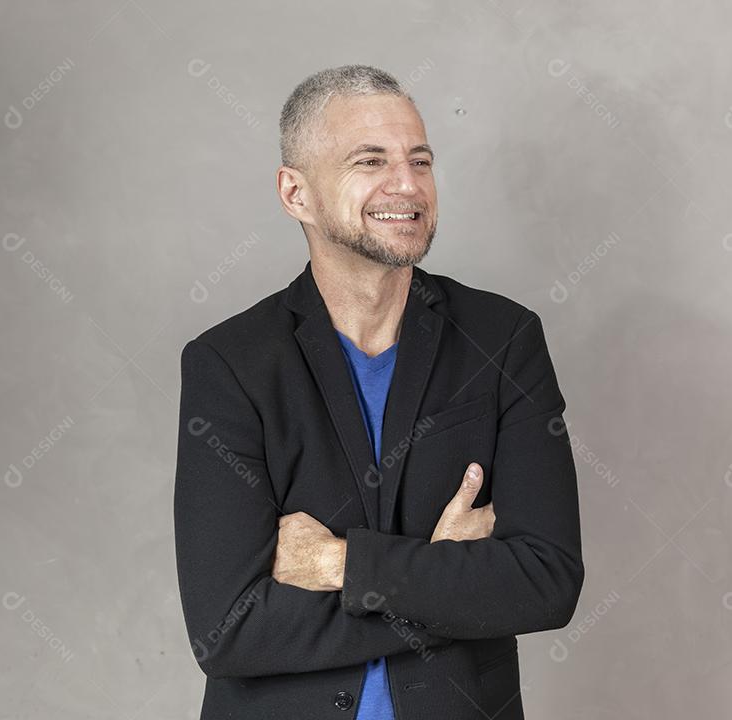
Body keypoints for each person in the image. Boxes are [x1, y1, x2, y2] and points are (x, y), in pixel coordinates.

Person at [173, 64, 584, 720]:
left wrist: (341, 562)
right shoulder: (230, 364)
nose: (407, 184)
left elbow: (547, 583)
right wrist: (443, 579)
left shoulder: (503, 339)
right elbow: (228, 631)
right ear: (295, 192)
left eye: (420, 159)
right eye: (371, 160)